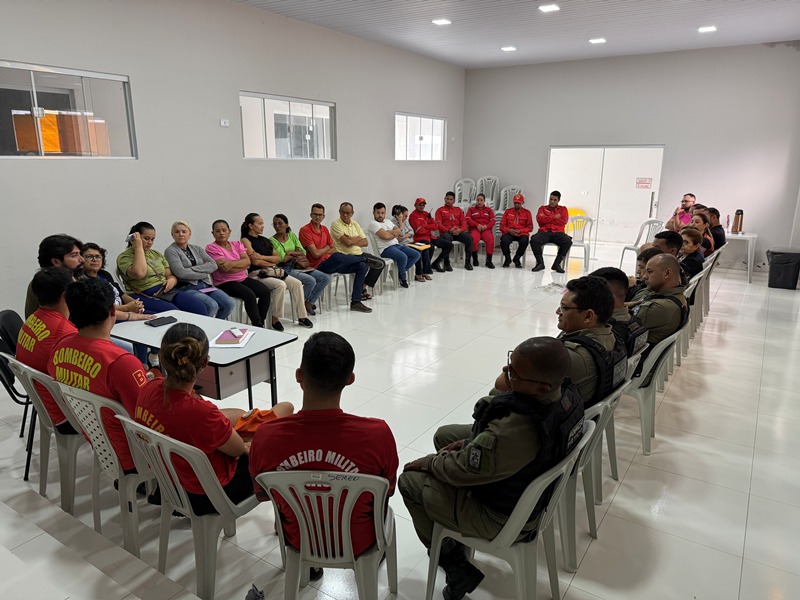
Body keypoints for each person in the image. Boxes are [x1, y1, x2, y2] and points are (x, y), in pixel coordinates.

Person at [398, 337, 583, 600]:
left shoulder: (516, 429)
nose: (507, 373)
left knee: (409, 481)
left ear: (540, 387)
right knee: (445, 436)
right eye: (509, 365)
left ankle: (455, 567)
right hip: (529, 491)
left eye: (514, 374)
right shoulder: (566, 397)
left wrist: (429, 463)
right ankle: (453, 535)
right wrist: (470, 445)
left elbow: (463, 469)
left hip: (503, 517)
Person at [249, 332, 398, 578]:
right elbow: (387, 491)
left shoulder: (266, 436)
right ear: (350, 379)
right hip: (358, 542)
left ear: (299, 375)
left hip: (298, 539)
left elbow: (264, 494)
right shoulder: (377, 434)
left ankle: (310, 565)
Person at [135, 322, 293, 516]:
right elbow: (237, 449)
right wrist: (249, 444)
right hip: (206, 494)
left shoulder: (149, 388)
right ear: (205, 363)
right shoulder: (201, 412)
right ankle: (287, 515)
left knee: (244, 416)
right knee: (281, 433)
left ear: (162, 356)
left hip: (169, 481)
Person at [49, 277, 150, 473]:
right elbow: (148, 419)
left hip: (97, 442)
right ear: (112, 311)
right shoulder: (122, 363)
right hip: (136, 456)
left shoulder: (58, 349)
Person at [16, 267, 78, 434]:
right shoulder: (65, 333)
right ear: (65, 295)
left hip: (43, 405)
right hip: (66, 416)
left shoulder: (32, 319)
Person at [117, 222, 209, 316]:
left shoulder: (156, 254)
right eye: (146, 238)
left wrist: (172, 280)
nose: (150, 242)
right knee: (175, 314)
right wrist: (138, 247)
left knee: (200, 308)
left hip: (164, 290)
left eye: (152, 239)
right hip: (142, 293)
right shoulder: (124, 257)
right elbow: (139, 273)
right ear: (134, 238)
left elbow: (169, 275)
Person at [553, 276, 618, 406]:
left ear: (588, 316)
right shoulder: (613, 338)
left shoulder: (569, 356)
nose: (558, 312)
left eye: (564, 308)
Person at [241, 213, 313, 329]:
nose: (263, 226)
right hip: (257, 274)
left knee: (296, 283)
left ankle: (302, 316)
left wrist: (262, 258)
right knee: (280, 285)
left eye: (263, 223)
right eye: (260, 223)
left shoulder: (264, 240)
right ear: (251, 226)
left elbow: (278, 258)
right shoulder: (245, 240)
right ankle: (275, 318)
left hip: (273, 271)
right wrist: (269, 261)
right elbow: (255, 262)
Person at [298, 204, 373, 313]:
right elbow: (315, 254)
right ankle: (365, 259)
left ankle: (356, 302)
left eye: (320, 215)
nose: (318, 217)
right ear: (311, 215)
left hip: (330, 262)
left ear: (323, 216)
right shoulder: (305, 230)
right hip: (317, 265)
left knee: (362, 266)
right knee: (338, 256)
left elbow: (333, 248)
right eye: (315, 214)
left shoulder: (324, 229)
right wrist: (327, 248)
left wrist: (324, 250)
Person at [205, 219, 273, 329]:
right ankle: (258, 325)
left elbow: (247, 262)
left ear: (229, 231)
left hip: (242, 278)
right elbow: (225, 269)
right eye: (217, 231)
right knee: (249, 295)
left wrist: (232, 264)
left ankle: (260, 321)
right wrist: (241, 265)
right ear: (213, 233)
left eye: (224, 230)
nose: (221, 233)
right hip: (224, 282)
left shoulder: (237, 244)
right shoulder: (211, 248)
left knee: (265, 292)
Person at [163, 221, 235, 320]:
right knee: (211, 305)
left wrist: (191, 270)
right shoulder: (170, 251)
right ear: (172, 235)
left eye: (184, 231)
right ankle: (203, 328)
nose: (181, 234)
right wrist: (204, 273)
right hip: (187, 288)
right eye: (177, 232)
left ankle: (216, 325)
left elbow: (213, 265)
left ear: (189, 234)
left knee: (229, 303)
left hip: (206, 285)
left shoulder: (197, 248)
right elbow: (181, 273)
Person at [268, 213, 330, 316]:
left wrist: (290, 253)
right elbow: (282, 258)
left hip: (299, 265)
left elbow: (303, 252)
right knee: (310, 281)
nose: (277, 226)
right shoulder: (272, 240)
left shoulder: (291, 235)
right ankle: (300, 307)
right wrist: (295, 252)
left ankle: (308, 302)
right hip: (285, 268)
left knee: (324, 278)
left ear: (287, 224)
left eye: (280, 223)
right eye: (274, 224)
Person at [81, 243, 153, 323]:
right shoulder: (81, 281)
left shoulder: (104, 275)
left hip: (125, 311)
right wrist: (127, 308)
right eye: (89, 256)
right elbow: (97, 309)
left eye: (98, 256)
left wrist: (136, 304)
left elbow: (121, 294)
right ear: (80, 259)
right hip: (107, 318)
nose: (95, 260)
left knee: (155, 316)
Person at [330, 202, 385, 298]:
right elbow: (347, 242)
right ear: (339, 212)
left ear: (352, 213)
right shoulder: (335, 224)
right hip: (345, 256)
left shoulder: (355, 224)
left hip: (359, 254)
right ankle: (359, 292)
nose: (345, 215)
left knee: (380, 263)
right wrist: (357, 238)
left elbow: (365, 242)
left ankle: (363, 286)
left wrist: (351, 239)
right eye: (343, 212)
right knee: (363, 265)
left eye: (348, 213)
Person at [633, 254, 688, 344]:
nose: (644, 276)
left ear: (667, 273)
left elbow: (621, 327)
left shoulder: (657, 307)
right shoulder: (678, 297)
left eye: (649, 272)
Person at [25, 234, 84, 317]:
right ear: (56, 262)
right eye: (74, 255)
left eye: (80, 254)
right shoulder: (50, 285)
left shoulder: (75, 277)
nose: (82, 259)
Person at [368, 202, 420, 287]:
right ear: (373, 213)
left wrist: (389, 232)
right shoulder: (373, 224)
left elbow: (399, 231)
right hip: (385, 249)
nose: (380, 215)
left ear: (385, 213)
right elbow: (385, 236)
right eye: (378, 213)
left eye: (382, 213)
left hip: (397, 245)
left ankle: (399, 272)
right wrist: (393, 234)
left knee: (416, 254)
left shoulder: (388, 221)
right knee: (403, 257)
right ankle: (402, 278)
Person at [530, 191, 572, 273]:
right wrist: (555, 217)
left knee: (567, 241)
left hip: (558, 232)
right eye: (551, 199)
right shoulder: (542, 208)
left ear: (558, 200)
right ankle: (540, 263)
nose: (552, 201)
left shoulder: (563, 209)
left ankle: (557, 264)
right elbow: (540, 221)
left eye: (554, 200)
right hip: (544, 231)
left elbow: (563, 222)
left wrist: (546, 217)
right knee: (534, 240)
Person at [409, 197, 452, 273]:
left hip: (430, 237)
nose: (421, 207)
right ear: (415, 205)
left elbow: (435, 226)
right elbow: (419, 231)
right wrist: (429, 227)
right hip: (420, 238)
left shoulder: (426, 214)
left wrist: (425, 226)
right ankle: (426, 268)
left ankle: (436, 263)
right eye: (419, 205)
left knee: (449, 245)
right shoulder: (413, 216)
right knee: (430, 247)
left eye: (423, 205)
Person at [391, 204, 431, 282]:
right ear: (399, 215)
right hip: (402, 245)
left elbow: (412, 231)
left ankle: (425, 272)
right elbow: (401, 234)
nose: (406, 218)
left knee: (425, 248)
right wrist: (400, 222)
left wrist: (405, 236)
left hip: (410, 242)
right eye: (405, 216)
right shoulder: (393, 223)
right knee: (418, 251)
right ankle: (418, 274)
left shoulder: (405, 221)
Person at [435, 191, 473, 271]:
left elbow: (464, 222)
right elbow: (438, 224)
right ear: (444, 199)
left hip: (458, 232)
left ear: (454, 201)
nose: (449, 201)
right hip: (446, 232)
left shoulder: (458, 210)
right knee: (446, 238)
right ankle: (446, 263)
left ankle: (467, 262)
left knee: (469, 237)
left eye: (451, 199)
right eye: (447, 199)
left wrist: (460, 230)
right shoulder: (440, 210)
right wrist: (449, 230)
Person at [499, 193, 534, 268]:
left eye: (518, 203)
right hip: (509, 232)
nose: (516, 205)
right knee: (504, 241)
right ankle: (507, 258)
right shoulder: (508, 212)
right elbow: (502, 225)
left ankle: (517, 258)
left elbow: (530, 227)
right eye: (515, 203)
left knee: (524, 241)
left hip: (521, 233)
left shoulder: (527, 213)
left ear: (522, 203)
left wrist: (520, 231)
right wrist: (509, 230)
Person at [465, 193, 496, 269]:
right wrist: (476, 225)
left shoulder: (489, 210)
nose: (479, 202)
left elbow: (493, 220)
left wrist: (486, 226)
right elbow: (467, 219)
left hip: (486, 229)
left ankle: (489, 261)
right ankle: (475, 258)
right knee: (473, 239)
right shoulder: (471, 209)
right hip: (475, 229)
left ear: (484, 201)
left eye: (481, 200)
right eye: (478, 200)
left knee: (490, 239)